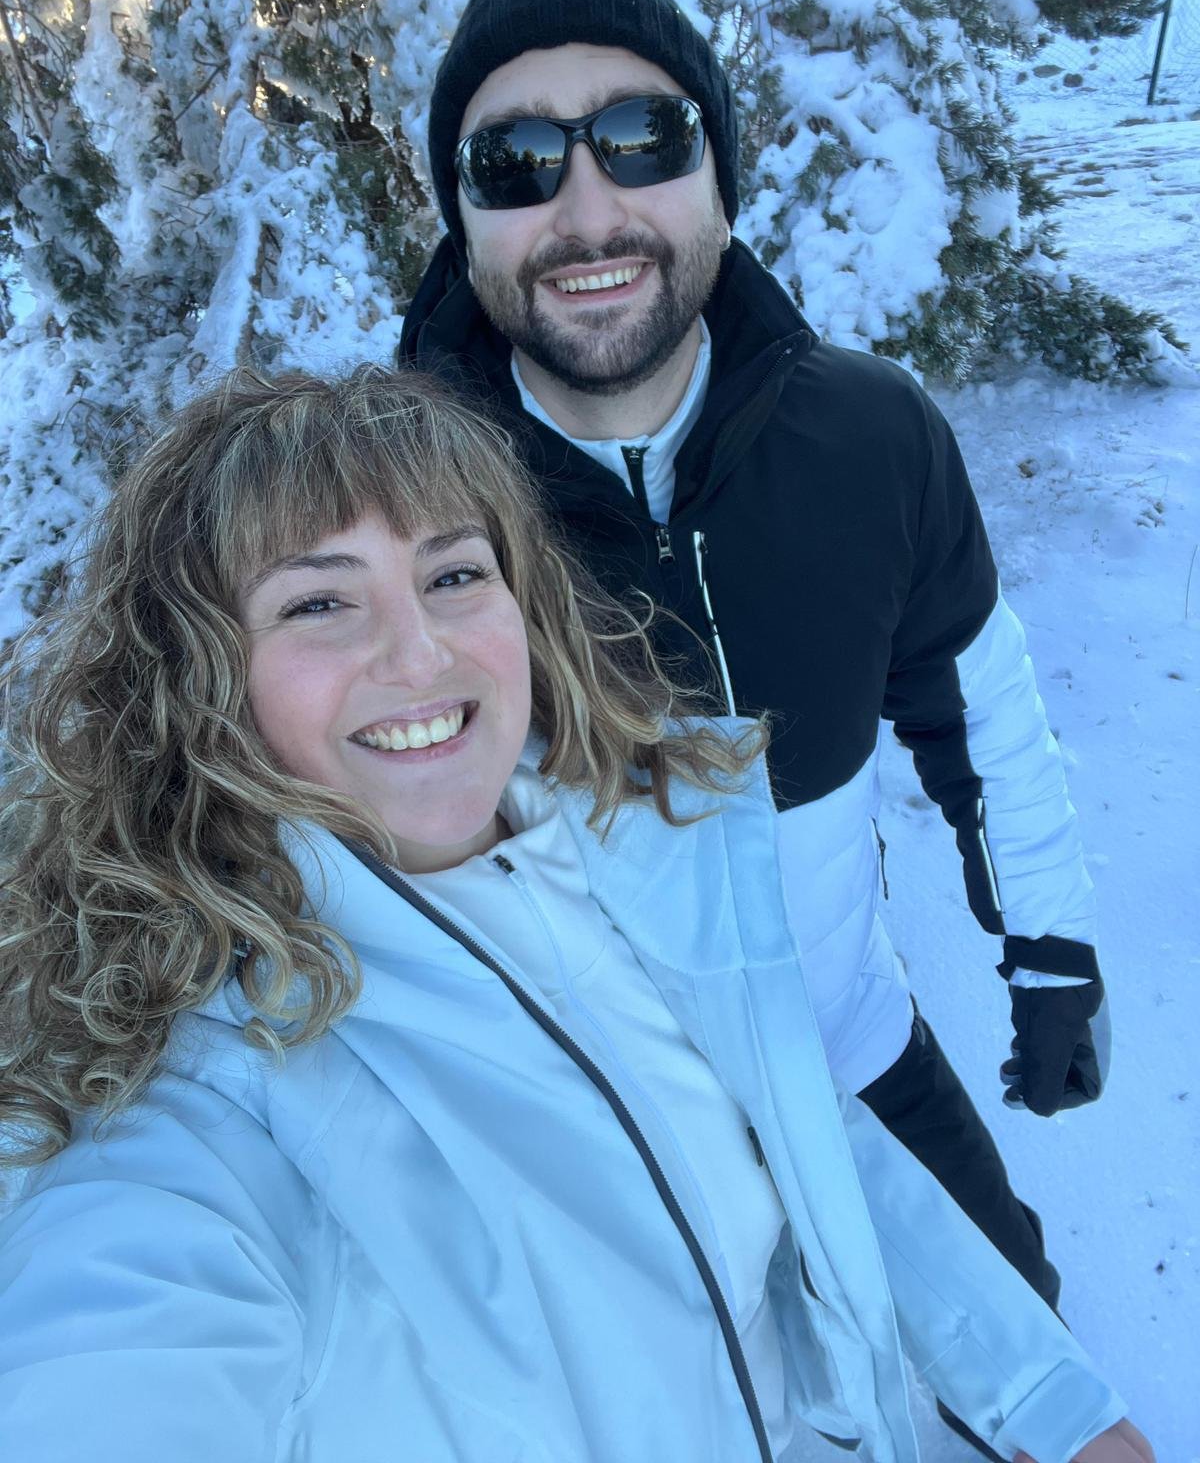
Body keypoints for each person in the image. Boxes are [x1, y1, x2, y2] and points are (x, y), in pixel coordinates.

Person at [0, 367, 1149, 1463]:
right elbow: (118, 1352)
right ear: (197, 680)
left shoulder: (642, 854)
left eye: (454, 574)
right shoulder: (201, 1107)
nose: (419, 650)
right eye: (318, 600)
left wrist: (1050, 1401)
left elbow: (803, 1135)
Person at [398, 0, 1106, 1365]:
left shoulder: (871, 437)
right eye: (516, 162)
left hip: (852, 1054)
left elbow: (979, 714)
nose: (588, 210)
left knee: (1021, 1357)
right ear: (461, 224)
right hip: (600, 1137)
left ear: (720, 171)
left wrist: (1051, 947)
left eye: (643, 139)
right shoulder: (396, 520)